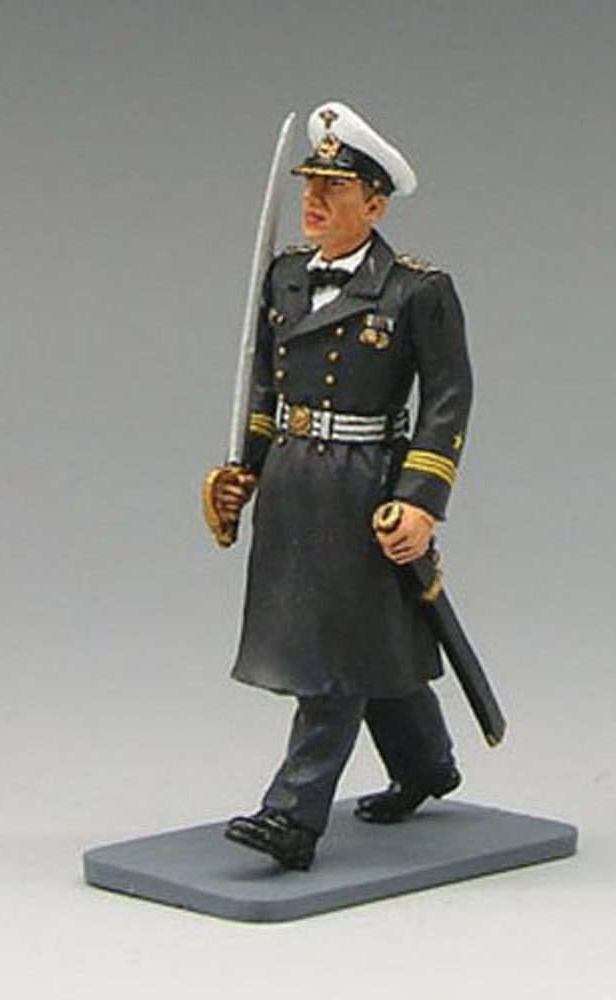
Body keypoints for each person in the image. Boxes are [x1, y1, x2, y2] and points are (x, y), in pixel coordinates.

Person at [207, 101, 473, 870]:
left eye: (334, 188)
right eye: (309, 185)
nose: (314, 200)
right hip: (293, 485)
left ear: (375, 205)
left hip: (365, 488)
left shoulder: (416, 290)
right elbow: (267, 386)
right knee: (366, 640)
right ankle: (424, 765)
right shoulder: (286, 276)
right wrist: (242, 471)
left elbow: (448, 399)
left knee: (335, 655)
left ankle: (291, 818)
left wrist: (419, 502)